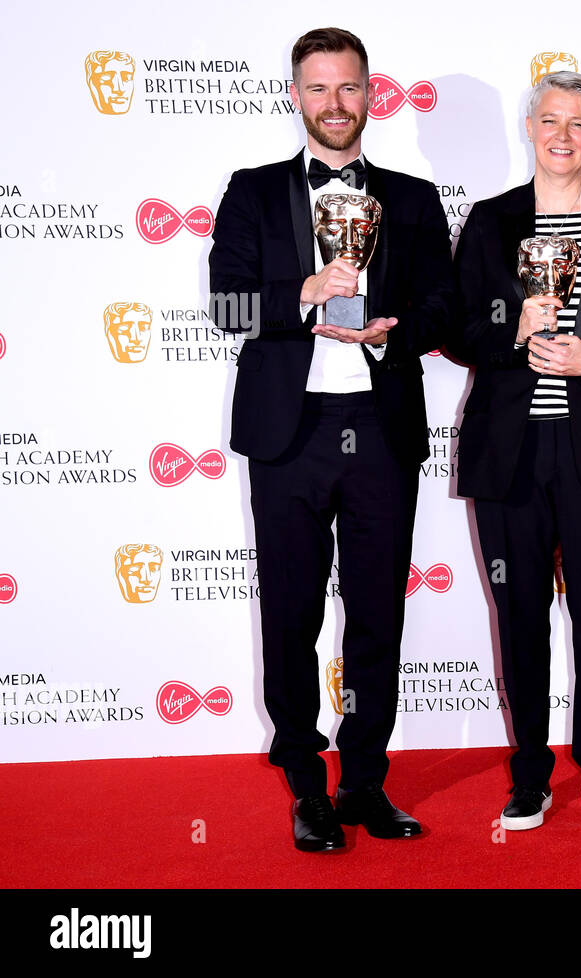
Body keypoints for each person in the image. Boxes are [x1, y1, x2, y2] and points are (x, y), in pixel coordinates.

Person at [208, 27, 455, 852]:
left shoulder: (414, 198)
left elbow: (442, 311)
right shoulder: (251, 191)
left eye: (348, 88)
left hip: (380, 432)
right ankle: (306, 787)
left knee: (378, 613)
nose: (335, 104)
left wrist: (388, 334)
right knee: (290, 614)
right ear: (295, 96)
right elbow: (230, 308)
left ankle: (365, 784)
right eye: (318, 89)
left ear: (372, 93)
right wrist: (308, 291)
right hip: (289, 434)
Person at [450, 71, 581, 830]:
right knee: (519, 614)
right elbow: (457, 327)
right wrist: (513, 332)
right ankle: (530, 771)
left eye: (579, 124)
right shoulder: (489, 219)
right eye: (550, 120)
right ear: (530, 128)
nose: (563, 135)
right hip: (509, 449)